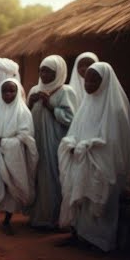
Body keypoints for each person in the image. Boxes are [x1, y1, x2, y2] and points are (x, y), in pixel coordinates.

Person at [58, 62, 130, 252]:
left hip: (102, 165)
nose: (88, 84)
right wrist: (73, 145)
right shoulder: (86, 105)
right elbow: (76, 131)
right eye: (87, 80)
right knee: (81, 201)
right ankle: (80, 235)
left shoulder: (116, 109)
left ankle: (100, 242)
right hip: (81, 160)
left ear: (105, 81)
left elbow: (115, 144)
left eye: (94, 80)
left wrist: (88, 148)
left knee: (99, 202)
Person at [0, 79, 38, 234]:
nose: (8, 94)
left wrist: (3, 142)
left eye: (11, 91)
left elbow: (25, 137)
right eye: (4, 91)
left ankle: (7, 220)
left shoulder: (23, 113)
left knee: (11, 189)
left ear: (17, 93)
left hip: (13, 158)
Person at [27, 55, 77, 229]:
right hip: (37, 140)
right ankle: (37, 217)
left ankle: (53, 219)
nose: (44, 74)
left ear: (58, 73)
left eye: (49, 71)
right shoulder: (34, 90)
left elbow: (71, 118)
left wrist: (51, 106)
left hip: (55, 142)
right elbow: (26, 115)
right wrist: (30, 103)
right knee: (37, 177)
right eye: (42, 70)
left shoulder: (66, 92)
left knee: (53, 177)